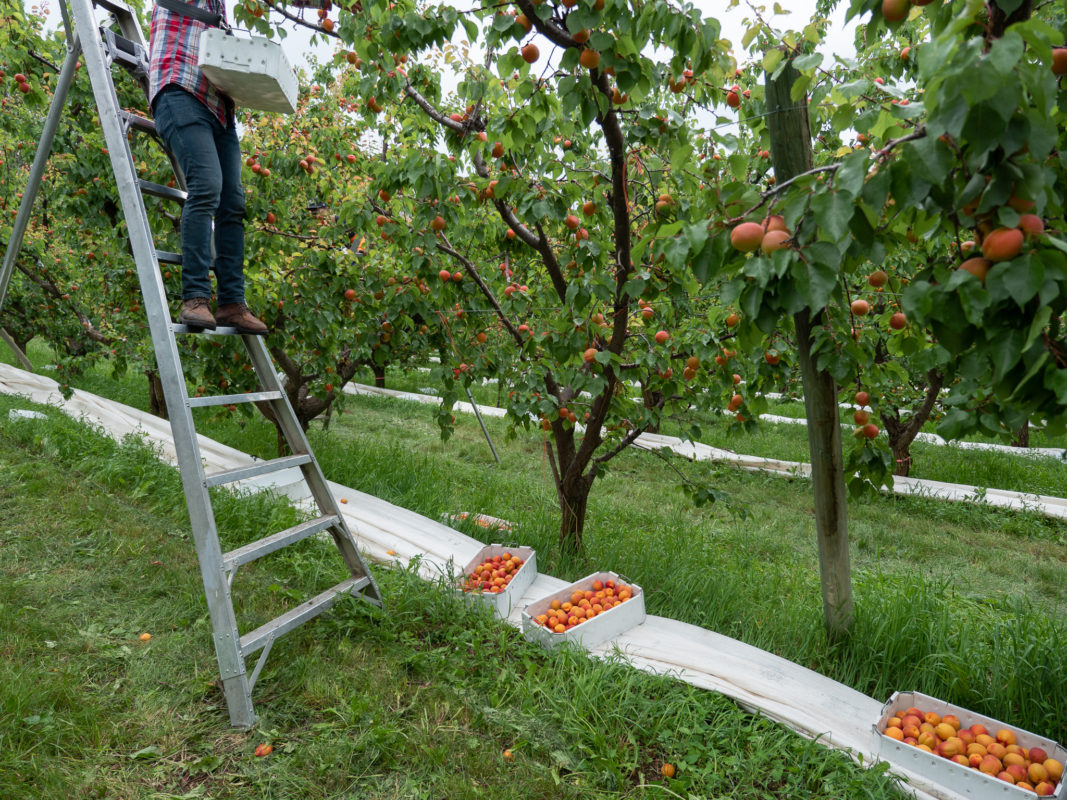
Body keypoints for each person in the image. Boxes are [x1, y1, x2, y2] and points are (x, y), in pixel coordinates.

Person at [148, 0, 268, 335]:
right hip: (180, 89)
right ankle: (196, 297)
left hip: (219, 106)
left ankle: (231, 302)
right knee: (207, 186)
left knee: (233, 203)